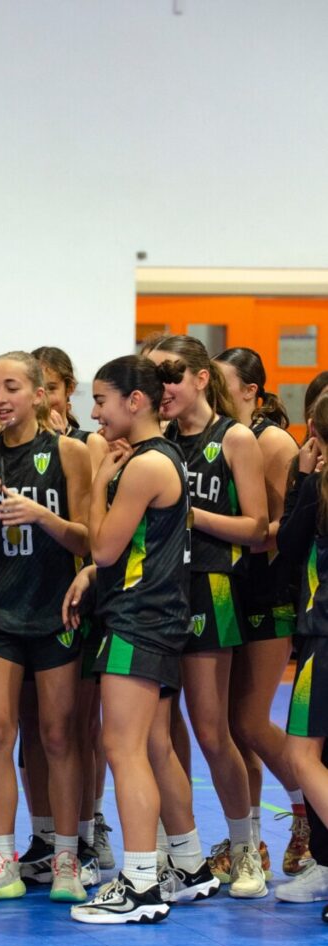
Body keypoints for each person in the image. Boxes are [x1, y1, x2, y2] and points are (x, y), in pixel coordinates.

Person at [67, 356, 218, 925]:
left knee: (122, 749)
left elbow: (102, 549)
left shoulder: (142, 467)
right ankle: (189, 865)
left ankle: (138, 885)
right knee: (154, 746)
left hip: (137, 620)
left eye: (101, 400)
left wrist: (99, 480)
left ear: (135, 402)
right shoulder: (166, 455)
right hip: (159, 617)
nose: (94, 412)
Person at [0, 350, 92, 905]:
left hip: (54, 612)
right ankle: (2, 858)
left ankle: (66, 858)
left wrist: (42, 517)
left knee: (57, 735)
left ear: (38, 394)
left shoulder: (70, 453)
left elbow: (89, 538)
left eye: (11, 387)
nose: (0, 398)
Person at [146, 335, 269, 899]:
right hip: (158, 591)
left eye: (169, 376)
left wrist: (189, 513)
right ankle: (182, 854)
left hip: (212, 587)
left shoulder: (235, 436)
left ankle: (246, 849)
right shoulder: (160, 441)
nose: (160, 389)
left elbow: (257, 527)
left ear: (199, 377)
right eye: (151, 379)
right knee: (160, 732)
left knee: (212, 729)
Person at [17, 346, 112, 887]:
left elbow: (95, 526)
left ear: (66, 391)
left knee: (80, 726)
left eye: (53, 388)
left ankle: (87, 826)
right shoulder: (6, 444)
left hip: (79, 602)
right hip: (25, 602)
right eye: (40, 388)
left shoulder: (85, 444)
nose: (46, 398)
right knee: (32, 724)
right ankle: (45, 834)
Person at [214, 348, 307, 877]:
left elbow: (278, 528)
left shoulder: (270, 441)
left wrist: (209, 530)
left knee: (251, 720)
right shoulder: (223, 438)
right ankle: (248, 841)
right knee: (230, 725)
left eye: (224, 386)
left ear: (251, 390)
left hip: (269, 592)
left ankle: (306, 814)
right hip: (230, 589)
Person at [276, 373, 328, 908]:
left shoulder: (319, 487)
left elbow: (288, 550)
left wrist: (308, 481)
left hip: (323, 635)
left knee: (302, 755)